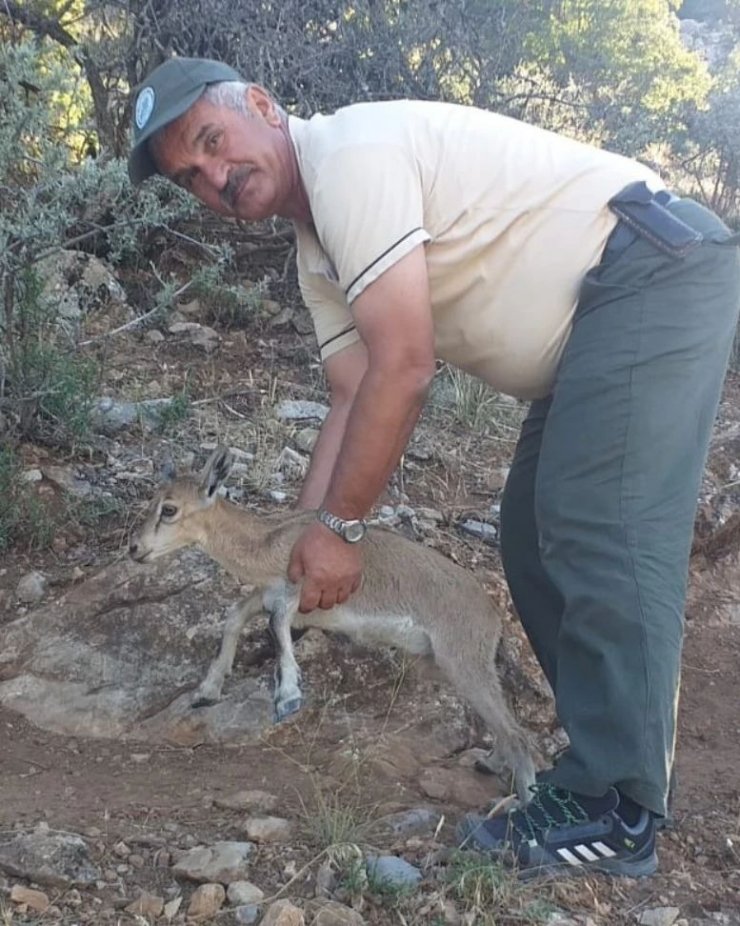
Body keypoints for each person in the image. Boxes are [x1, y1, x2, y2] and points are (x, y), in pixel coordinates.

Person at [128, 56, 740, 879]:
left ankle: (618, 809)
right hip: (592, 331)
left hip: (648, 269)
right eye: (191, 176)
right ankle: (600, 767)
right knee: (529, 534)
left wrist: (340, 533)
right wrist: (294, 546)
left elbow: (404, 366)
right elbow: (348, 399)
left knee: (598, 523)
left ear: (264, 107)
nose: (214, 176)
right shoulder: (316, 253)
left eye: (213, 140)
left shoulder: (349, 162)